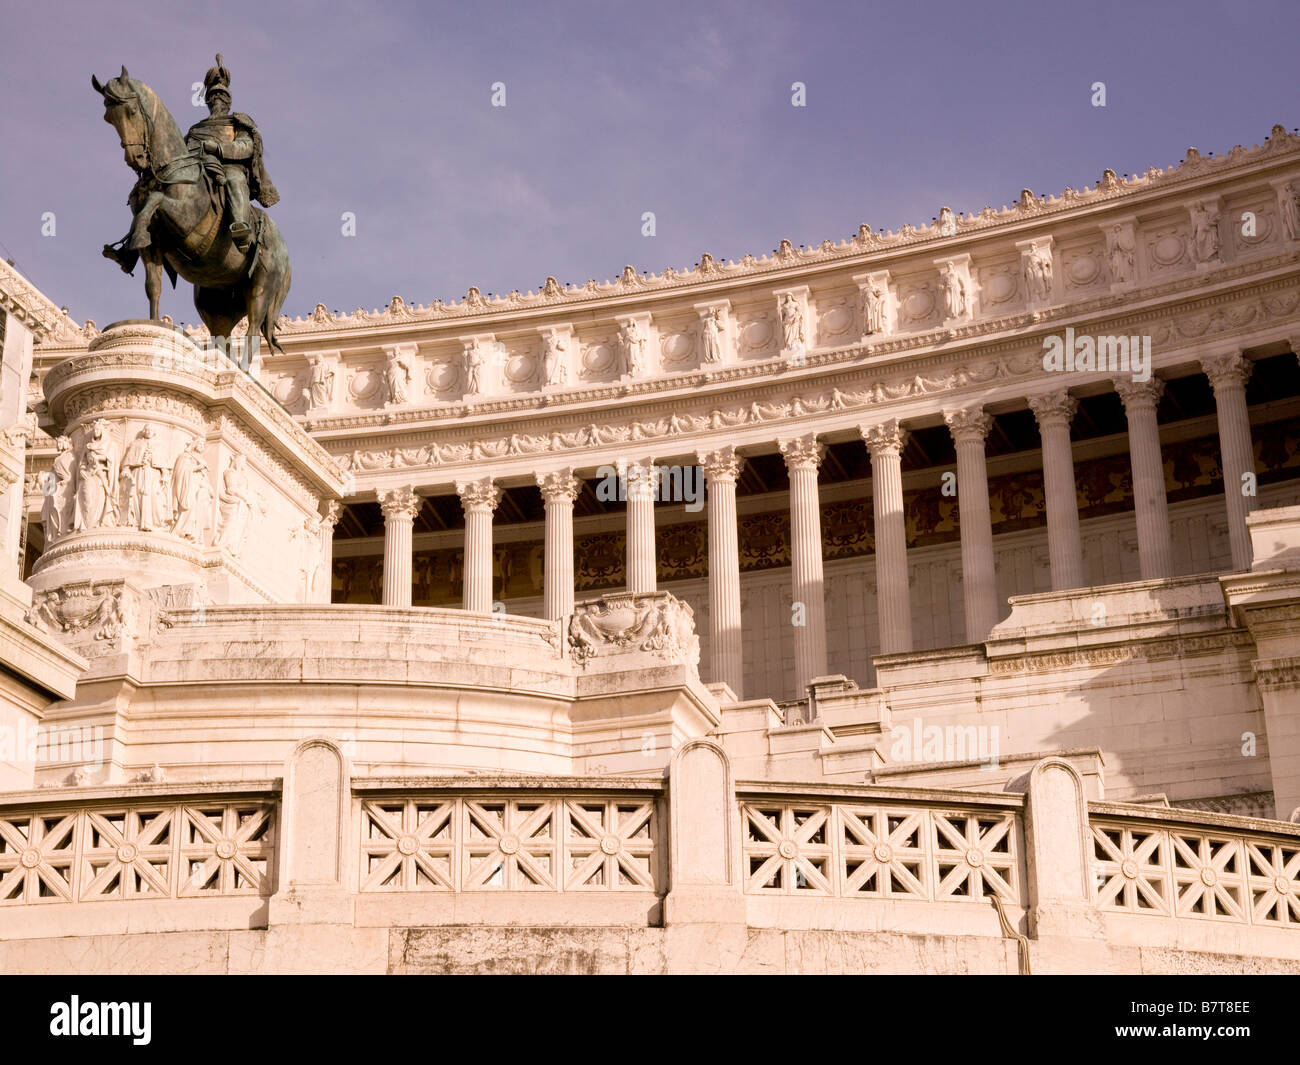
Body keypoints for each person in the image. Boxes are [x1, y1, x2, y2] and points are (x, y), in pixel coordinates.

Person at [185, 55, 279, 253]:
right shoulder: (195, 130)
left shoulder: (238, 122)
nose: (218, 99)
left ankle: (240, 226)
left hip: (230, 168)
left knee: (234, 179)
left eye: (222, 96)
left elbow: (246, 146)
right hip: (199, 168)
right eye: (213, 96)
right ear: (207, 100)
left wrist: (217, 148)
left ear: (229, 100)